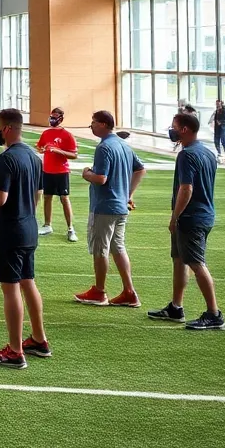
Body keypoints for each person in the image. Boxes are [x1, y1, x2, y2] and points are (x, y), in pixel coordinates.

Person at [0, 108, 49, 369]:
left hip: (9, 230)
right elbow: (38, 194)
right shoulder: (35, 157)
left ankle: (15, 351)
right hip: (29, 227)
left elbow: (0, 197)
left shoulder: (6, 159)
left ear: (5, 129)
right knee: (28, 282)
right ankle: (39, 338)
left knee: (11, 287)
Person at [148, 112, 224, 330]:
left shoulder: (187, 155)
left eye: (174, 126)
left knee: (196, 263)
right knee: (180, 259)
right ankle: (176, 307)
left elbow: (186, 188)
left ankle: (214, 313)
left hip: (191, 217)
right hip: (204, 213)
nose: (171, 130)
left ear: (184, 130)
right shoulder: (208, 153)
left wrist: (175, 216)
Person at [74, 110, 143, 308]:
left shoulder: (104, 148)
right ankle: (129, 291)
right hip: (120, 205)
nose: (92, 126)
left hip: (104, 206)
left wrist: (86, 173)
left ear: (104, 124)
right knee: (118, 247)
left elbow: (101, 178)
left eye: (94, 122)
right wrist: (128, 194)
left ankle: (99, 291)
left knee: (100, 248)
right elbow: (140, 169)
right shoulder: (123, 145)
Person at [36, 107, 79, 242]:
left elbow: (74, 155)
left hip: (61, 171)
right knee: (47, 197)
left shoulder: (67, 135)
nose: (52, 119)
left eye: (55, 117)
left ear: (60, 119)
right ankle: (47, 224)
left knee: (64, 198)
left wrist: (59, 151)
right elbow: (40, 146)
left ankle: (70, 228)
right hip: (47, 170)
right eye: (51, 116)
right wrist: (41, 149)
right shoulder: (46, 133)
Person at [209, 100, 225, 164]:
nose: (217, 105)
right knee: (216, 141)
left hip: (224, 128)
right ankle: (219, 153)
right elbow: (214, 120)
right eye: (216, 104)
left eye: (218, 104)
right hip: (217, 129)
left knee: (224, 141)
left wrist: (221, 122)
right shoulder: (216, 112)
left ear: (221, 104)